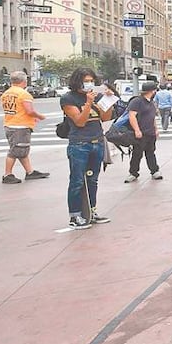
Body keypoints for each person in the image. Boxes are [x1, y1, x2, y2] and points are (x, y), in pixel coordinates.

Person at [59, 67, 115, 229]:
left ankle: (91, 211)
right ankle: (75, 215)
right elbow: (80, 121)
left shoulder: (96, 96)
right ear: (78, 82)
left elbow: (105, 117)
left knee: (93, 178)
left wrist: (107, 101)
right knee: (77, 180)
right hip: (79, 143)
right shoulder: (68, 99)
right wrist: (88, 103)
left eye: (91, 81)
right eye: (86, 81)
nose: (89, 84)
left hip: (96, 140)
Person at [0, 71, 49, 184]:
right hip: (20, 126)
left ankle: (29, 172)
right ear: (24, 81)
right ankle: (8, 174)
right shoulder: (24, 94)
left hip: (10, 123)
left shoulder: (6, 93)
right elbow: (29, 111)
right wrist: (39, 116)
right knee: (15, 151)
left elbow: (15, 109)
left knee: (21, 150)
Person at [126, 80, 164, 183]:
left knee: (151, 152)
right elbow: (132, 116)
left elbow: (152, 117)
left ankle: (155, 171)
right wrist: (137, 130)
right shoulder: (137, 101)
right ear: (152, 91)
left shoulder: (151, 102)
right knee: (137, 153)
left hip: (150, 133)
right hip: (141, 133)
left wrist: (156, 129)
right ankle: (133, 173)